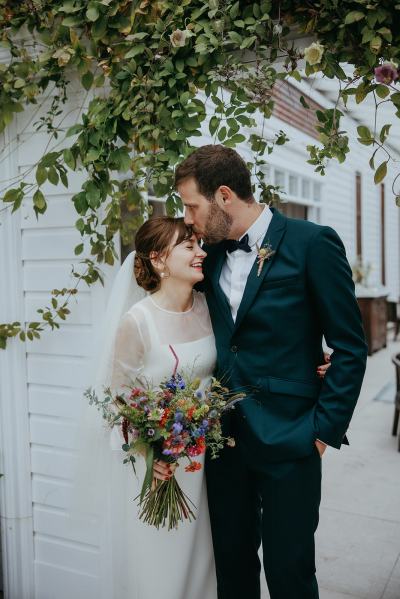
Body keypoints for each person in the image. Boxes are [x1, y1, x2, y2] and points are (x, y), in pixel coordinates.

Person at [174, 144, 368, 599]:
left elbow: (350, 346)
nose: (187, 218)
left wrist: (322, 431)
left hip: (292, 439)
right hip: (225, 445)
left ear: (224, 196)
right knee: (233, 570)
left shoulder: (311, 243)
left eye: (191, 206)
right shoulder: (211, 255)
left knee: (290, 573)